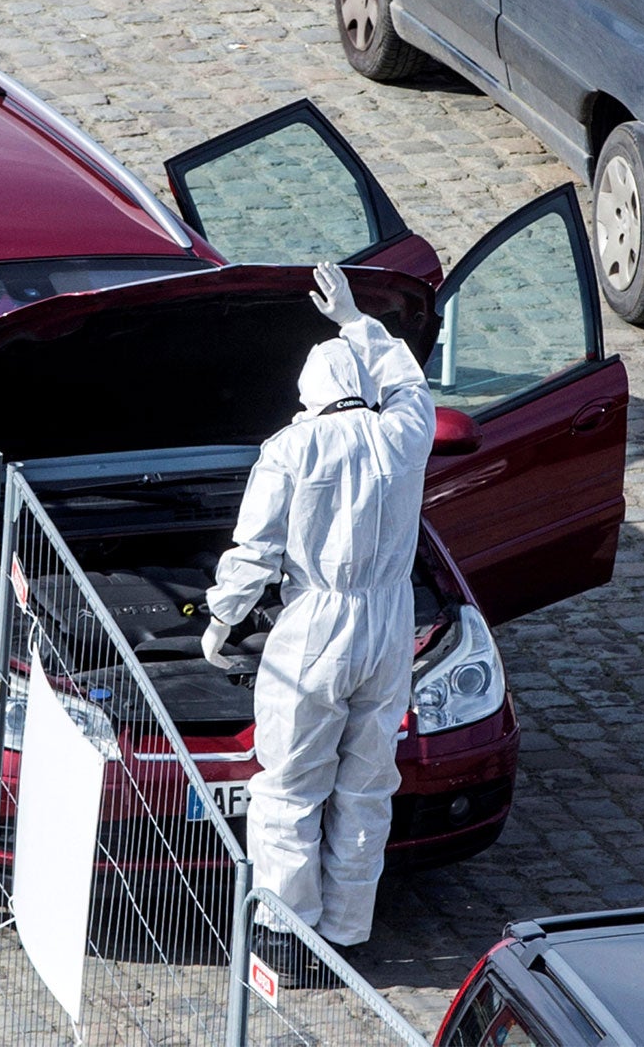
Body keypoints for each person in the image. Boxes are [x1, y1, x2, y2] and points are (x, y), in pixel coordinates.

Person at [202, 261, 434, 958]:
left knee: (290, 786)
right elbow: (410, 381)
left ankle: (287, 935)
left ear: (308, 392)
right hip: (390, 624)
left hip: (316, 630)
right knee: (366, 789)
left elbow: (255, 550)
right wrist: (357, 323)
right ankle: (347, 934)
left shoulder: (291, 448)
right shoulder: (405, 433)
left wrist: (221, 621)